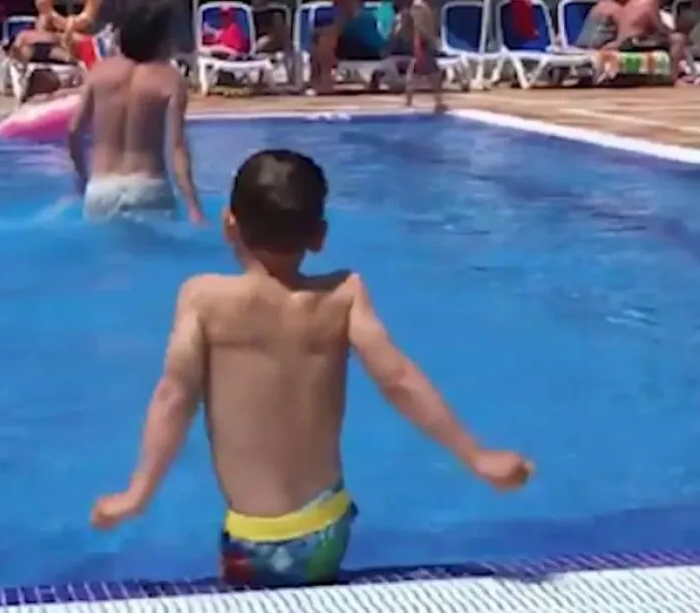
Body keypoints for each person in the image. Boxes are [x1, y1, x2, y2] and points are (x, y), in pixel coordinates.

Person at [90, 149, 534, 587]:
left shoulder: (203, 299)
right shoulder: (344, 295)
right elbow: (398, 380)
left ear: (229, 225)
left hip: (252, 538)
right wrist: (478, 457)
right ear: (319, 236)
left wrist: (137, 494)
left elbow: (174, 397)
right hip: (328, 526)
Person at [66, 0, 206, 224]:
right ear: (161, 42)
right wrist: (193, 206)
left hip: (102, 189)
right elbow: (177, 148)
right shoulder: (170, 79)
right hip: (148, 187)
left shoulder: (99, 73)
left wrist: (82, 177)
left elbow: (74, 130)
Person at [378, 0, 445, 112]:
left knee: (425, 74)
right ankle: (435, 103)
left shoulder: (418, 7)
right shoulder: (417, 7)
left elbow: (418, 27)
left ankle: (427, 102)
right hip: (422, 44)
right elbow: (416, 27)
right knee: (427, 74)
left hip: (423, 44)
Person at [309, 0, 382, 94]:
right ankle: (320, 78)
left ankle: (324, 78)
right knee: (322, 36)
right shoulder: (335, 16)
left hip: (366, 43)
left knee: (326, 36)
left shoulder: (367, 15)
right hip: (346, 41)